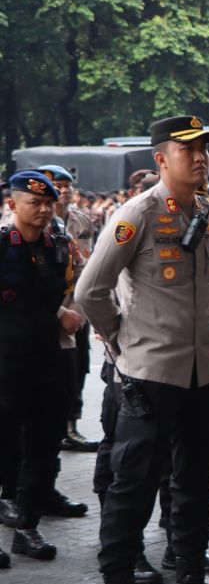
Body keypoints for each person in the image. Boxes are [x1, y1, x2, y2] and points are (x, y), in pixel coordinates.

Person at [75, 115, 209, 584]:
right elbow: (89, 290)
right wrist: (122, 339)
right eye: (187, 149)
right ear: (161, 159)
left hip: (199, 374)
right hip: (149, 374)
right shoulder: (137, 214)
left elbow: (206, 293)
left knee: (194, 483)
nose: (200, 157)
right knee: (133, 488)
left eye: (204, 149)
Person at [0, 171, 83, 567]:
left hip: (46, 359)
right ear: (12, 205)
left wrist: (63, 312)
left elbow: (61, 291)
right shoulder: (3, 245)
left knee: (45, 443)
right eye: (35, 203)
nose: (45, 210)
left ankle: (27, 526)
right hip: (4, 362)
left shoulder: (57, 246)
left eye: (49, 203)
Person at [39, 164, 100, 453]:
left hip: (76, 308)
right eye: (57, 187)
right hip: (41, 313)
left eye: (67, 187)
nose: (63, 192)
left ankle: (70, 425)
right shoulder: (19, 225)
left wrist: (77, 310)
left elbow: (85, 268)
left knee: (77, 367)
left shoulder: (81, 221)